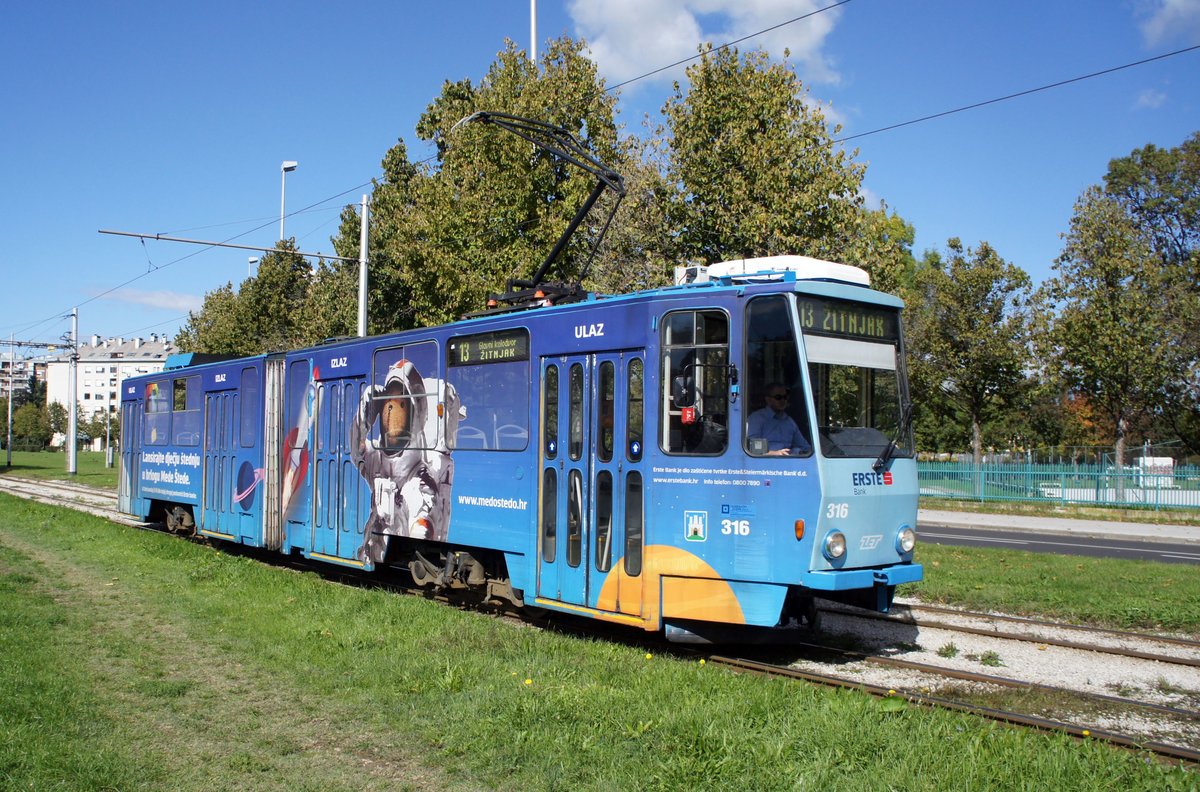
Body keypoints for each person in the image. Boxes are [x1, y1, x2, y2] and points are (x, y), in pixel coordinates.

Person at [747, 384, 810, 456]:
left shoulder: (789, 421)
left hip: (789, 462)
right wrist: (774, 453)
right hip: (764, 463)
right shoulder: (757, 418)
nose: (783, 400)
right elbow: (751, 447)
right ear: (768, 400)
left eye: (785, 397)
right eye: (778, 397)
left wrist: (798, 451)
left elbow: (804, 447)